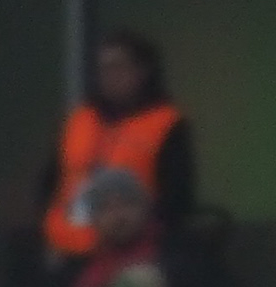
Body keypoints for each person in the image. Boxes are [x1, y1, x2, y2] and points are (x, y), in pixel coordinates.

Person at [37, 33, 196, 267]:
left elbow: (177, 198)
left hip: (128, 255)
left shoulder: (165, 123)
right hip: (66, 249)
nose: (109, 76)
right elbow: (50, 182)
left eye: (117, 67)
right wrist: (45, 235)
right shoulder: (80, 120)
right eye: (103, 69)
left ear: (142, 71)